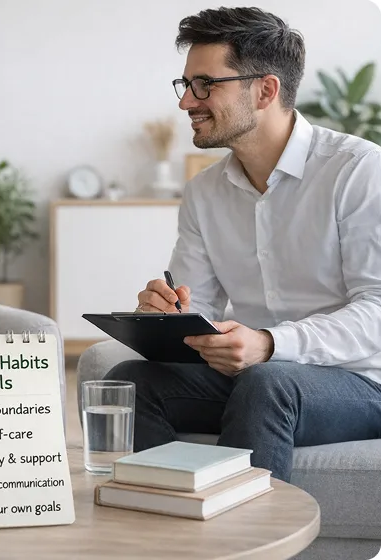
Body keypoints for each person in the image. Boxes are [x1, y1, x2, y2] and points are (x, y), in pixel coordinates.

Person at [104, 7, 381, 482]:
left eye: (205, 85)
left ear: (265, 90)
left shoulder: (358, 171)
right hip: (253, 375)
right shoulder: (205, 192)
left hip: (360, 381)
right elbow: (201, 305)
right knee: (128, 383)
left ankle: (243, 550)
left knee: (267, 382)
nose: (187, 102)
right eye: (186, 85)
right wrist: (166, 316)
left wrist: (271, 344)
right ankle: (162, 533)